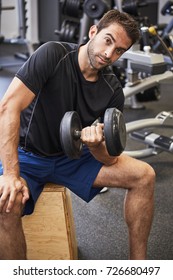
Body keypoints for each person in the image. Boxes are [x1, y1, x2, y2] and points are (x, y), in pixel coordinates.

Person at [0, 9, 155, 260]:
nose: (108, 54)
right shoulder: (53, 54)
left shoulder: (112, 90)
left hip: (70, 157)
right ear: (93, 32)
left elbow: (110, 159)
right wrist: (10, 175)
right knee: (6, 203)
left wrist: (95, 146)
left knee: (144, 176)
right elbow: (8, 108)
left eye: (119, 51)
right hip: (28, 155)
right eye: (108, 41)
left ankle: (138, 268)